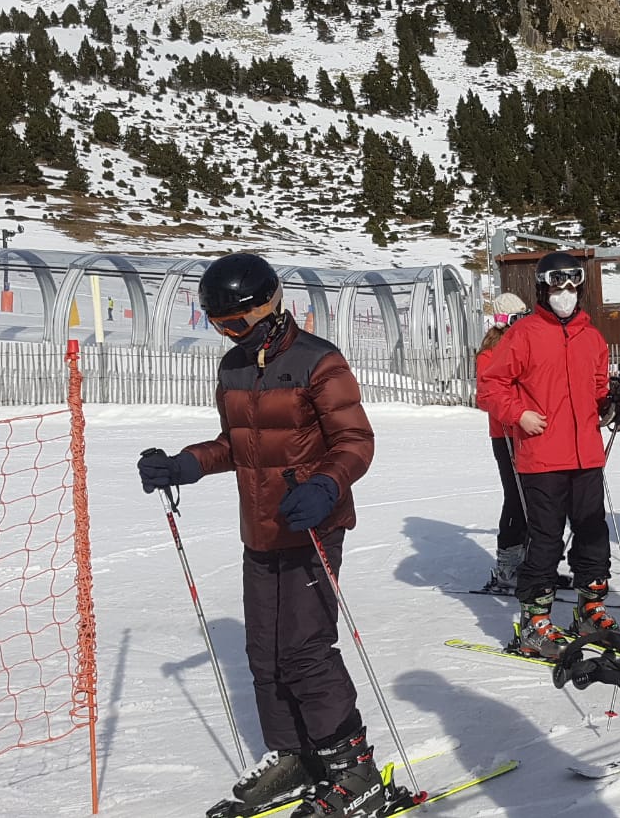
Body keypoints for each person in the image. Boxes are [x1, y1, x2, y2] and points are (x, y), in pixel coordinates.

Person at [135, 253, 388, 818]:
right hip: (262, 529)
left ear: (270, 306)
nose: (232, 335)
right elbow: (238, 445)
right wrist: (186, 464)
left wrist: (326, 486)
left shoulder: (318, 362)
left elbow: (355, 441)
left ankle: (355, 771)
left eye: (239, 323)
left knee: (304, 652)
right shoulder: (233, 369)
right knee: (265, 653)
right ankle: (296, 754)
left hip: (312, 526)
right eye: (221, 326)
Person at [478, 252, 620, 659]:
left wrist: (613, 402)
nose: (564, 293)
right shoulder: (523, 334)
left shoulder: (591, 336)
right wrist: (519, 414)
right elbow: (491, 387)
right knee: (545, 540)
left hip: (586, 455)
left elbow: (598, 389)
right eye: (556, 286)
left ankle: (589, 609)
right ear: (543, 289)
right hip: (543, 455)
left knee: (593, 535)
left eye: (571, 285)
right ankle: (535, 622)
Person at [477, 291, 531, 592]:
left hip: (529, 433)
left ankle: (533, 562)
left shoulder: (524, 344)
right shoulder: (489, 354)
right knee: (515, 498)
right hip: (506, 435)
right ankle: (507, 565)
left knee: (534, 499)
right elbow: (487, 397)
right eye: (515, 319)